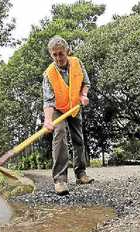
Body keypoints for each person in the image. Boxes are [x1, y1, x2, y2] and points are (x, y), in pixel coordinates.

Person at [42, 35, 94, 195]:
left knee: (78, 139)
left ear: (67, 51)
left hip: (74, 106)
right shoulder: (49, 74)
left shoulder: (77, 63)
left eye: (61, 53)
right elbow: (48, 100)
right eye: (54, 54)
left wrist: (83, 95)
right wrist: (48, 120)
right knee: (60, 135)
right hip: (57, 108)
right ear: (51, 55)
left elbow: (86, 82)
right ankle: (60, 180)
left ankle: (81, 174)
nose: (58, 58)